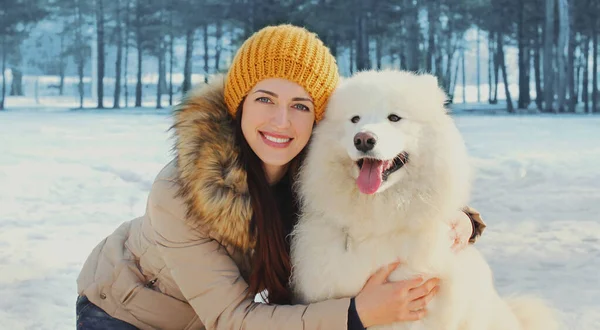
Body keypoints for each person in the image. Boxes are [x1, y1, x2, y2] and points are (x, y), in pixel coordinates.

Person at [76, 24, 486, 330]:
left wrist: (459, 219)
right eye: (265, 99)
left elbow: (399, 192)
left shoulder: (317, 162)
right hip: (127, 309)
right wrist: (356, 315)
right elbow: (233, 318)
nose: (281, 121)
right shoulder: (181, 190)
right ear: (239, 104)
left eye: (301, 106)